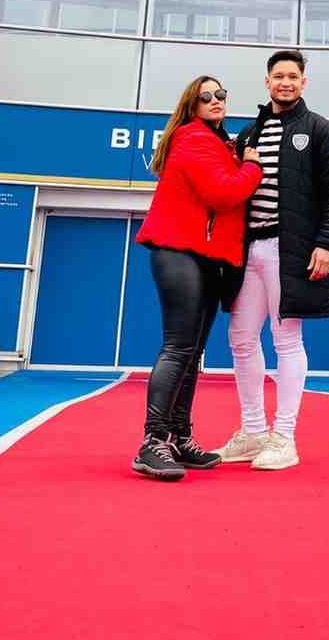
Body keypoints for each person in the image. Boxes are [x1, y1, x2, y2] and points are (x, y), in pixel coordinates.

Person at [213, 49, 329, 471]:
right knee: (239, 338)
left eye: (293, 76)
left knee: (287, 340)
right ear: (267, 82)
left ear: (303, 82)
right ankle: (253, 432)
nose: (286, 82)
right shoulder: (249, 134)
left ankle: (284, 437)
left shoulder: (321, 130)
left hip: (291, 252)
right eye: (278, 76)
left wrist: (326, 244)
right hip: (248, 250)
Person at [130, 76, 262, 482]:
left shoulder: (221, 144)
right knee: (177, 347)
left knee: (191, 353)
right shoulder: (192, 137)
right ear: (192, 104)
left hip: (206, 258)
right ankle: (153, 443)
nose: (216, 100)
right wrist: (253, 165)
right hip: (179, 251)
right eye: (206, 96)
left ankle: (180, 436)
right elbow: (223, 194)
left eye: (222, 94)